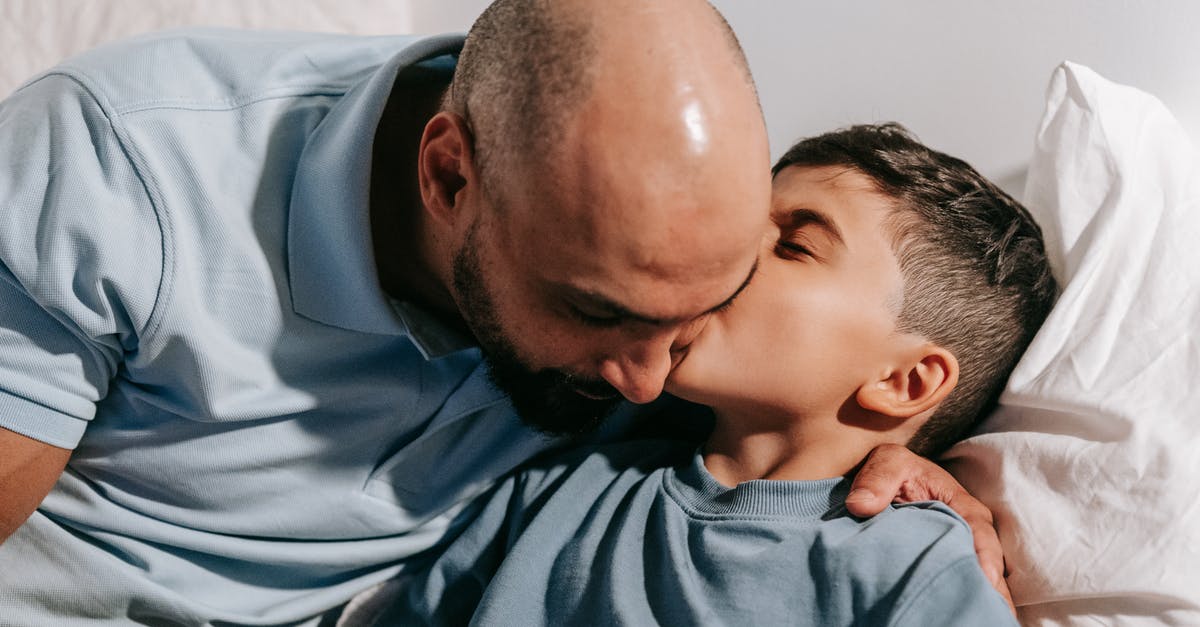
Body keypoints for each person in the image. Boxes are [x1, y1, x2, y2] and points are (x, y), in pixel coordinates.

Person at [0, 0, 1005, 623]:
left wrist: (928, 470)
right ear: (450, 176)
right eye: (598, 311)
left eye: (707, 300)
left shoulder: (655, 274)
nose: (652, 380)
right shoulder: (116, 162)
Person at [354, 124, 1057, 626]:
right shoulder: (567, 487)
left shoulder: (910, 566)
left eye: (795, 243)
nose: (731, 247)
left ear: (904, 382)